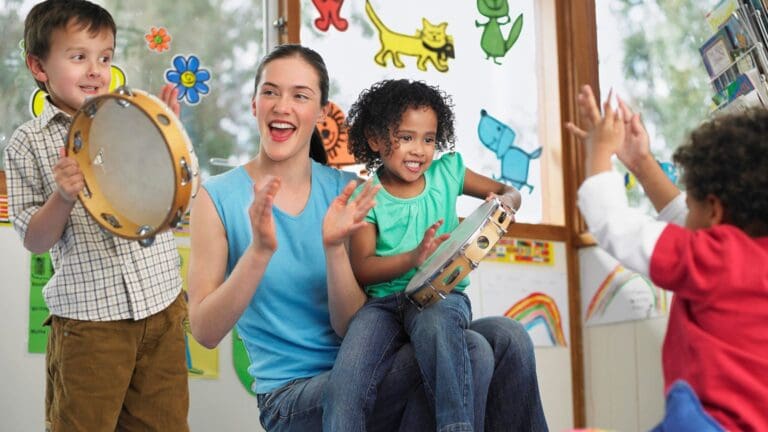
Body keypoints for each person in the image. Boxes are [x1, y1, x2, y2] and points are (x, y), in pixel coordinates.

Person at [187, 43, 548, 432]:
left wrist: (334, 250)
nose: (282, 106)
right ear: (254, 102)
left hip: (373, 360)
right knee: (473, 350)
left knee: (508, 337)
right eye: (270, 92)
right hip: (294, 397)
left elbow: (350, 324)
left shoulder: (352, 193)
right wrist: (258, 252)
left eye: (300, 95)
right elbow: (205, 332)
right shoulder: (217, 197)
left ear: (321, 111)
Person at [3, 1, 189, 431]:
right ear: (38, 66)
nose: (95, 70)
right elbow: (34, 239)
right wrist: (63, 197)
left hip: (161, 307)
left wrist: (164, 141)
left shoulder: (130, 116)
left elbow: (164, 197)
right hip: (90, 326)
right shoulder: (27, 142)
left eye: (105, 57)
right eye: (78, 56)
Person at [323, 79, 521, 432]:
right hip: (382, 306)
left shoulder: (448, 173)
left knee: (437, 327)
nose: (419, 150)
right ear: (374, 140)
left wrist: (505, 203)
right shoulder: (367, 197)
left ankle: (456, 427)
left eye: (428, 139)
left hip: (440, 296)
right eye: (406, 137)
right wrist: (413, 258)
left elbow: (509, 191)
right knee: (346, 381)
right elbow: (363, 268)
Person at [566, 84, 768, 431]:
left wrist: (599, 153)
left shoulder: (718, 259)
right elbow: (689, 231)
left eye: (692, 205)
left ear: (716, 211)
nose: (684, 218)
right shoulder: (746, 259)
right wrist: (641, 164)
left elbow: (615, 224)